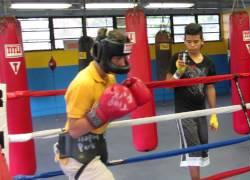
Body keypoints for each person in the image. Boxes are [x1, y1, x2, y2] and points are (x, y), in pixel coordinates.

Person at [54, 29, 151, 180]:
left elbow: (107, 113)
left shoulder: (109, 78)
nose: (123, 62)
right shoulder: (83, 83)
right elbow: (74, 130)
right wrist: (102, 113)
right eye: (118, 58)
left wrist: (125, 102)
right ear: (103, 55)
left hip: (95, 145)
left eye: (125, 57)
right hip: (77, 152)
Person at [166, 23, 218, 180]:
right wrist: (178, 72)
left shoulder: (208, 63)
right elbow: (168, 85)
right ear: (184, 40)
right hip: (184, 112)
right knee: (193, 150)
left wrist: (213, 113)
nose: (192, 45)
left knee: (202, 149)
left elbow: (209, 88)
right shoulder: (178, 58)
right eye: (188, 41)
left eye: (195, 41)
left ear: (202, 41)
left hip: (201, 110)